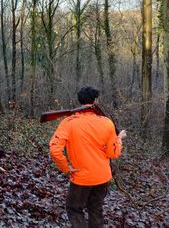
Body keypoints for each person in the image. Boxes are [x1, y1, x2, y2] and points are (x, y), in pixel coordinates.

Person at [49, 86, 127, 228]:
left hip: (81, 177)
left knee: (74, 209)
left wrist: (66, 168)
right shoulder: (107, 122)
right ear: (95, 100)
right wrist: (119, 138)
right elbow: (113, 154)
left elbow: (54, 149)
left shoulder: (69, 122)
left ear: (79, 101)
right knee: (95, 209)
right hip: (102, 176)